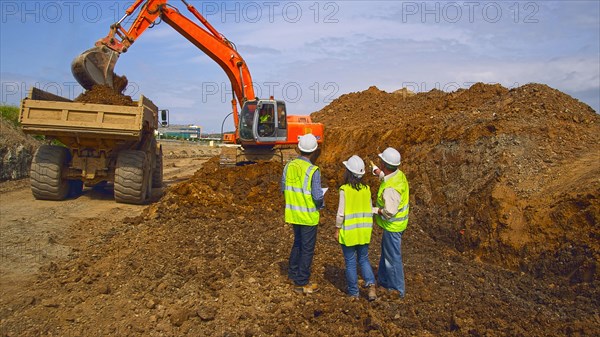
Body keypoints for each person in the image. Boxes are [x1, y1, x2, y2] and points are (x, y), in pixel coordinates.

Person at [281, 133, 324, 294]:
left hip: (293, 213)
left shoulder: (288, 166)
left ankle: (292, 273)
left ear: (299, 149)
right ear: (313, 151)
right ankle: (301, 282)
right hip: (308, 215)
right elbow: (317, 196)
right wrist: (321, 205)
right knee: (307, 248)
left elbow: (284, 188)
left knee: (297, 243)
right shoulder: (313, 170)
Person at [335, 155, 377, 301]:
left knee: (351, 263)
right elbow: (370, 209)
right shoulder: (366, 189)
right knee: (364, 259)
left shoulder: (344, 190)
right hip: (364, 232)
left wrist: (337, 229)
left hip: (350, 234)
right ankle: (371, 286)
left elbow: (341, 213)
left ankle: (354, 293)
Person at [371, 147, 409, 298]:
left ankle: (397, 290)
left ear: (385, 165)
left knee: (393, 258)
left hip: (393, 226)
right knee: (387, 254)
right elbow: (387, 178)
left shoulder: (391, 189)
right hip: (397, 224)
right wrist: (377, 173)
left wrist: (374, 210)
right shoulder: (398, 175)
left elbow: (388, 212)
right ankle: (384, 280)